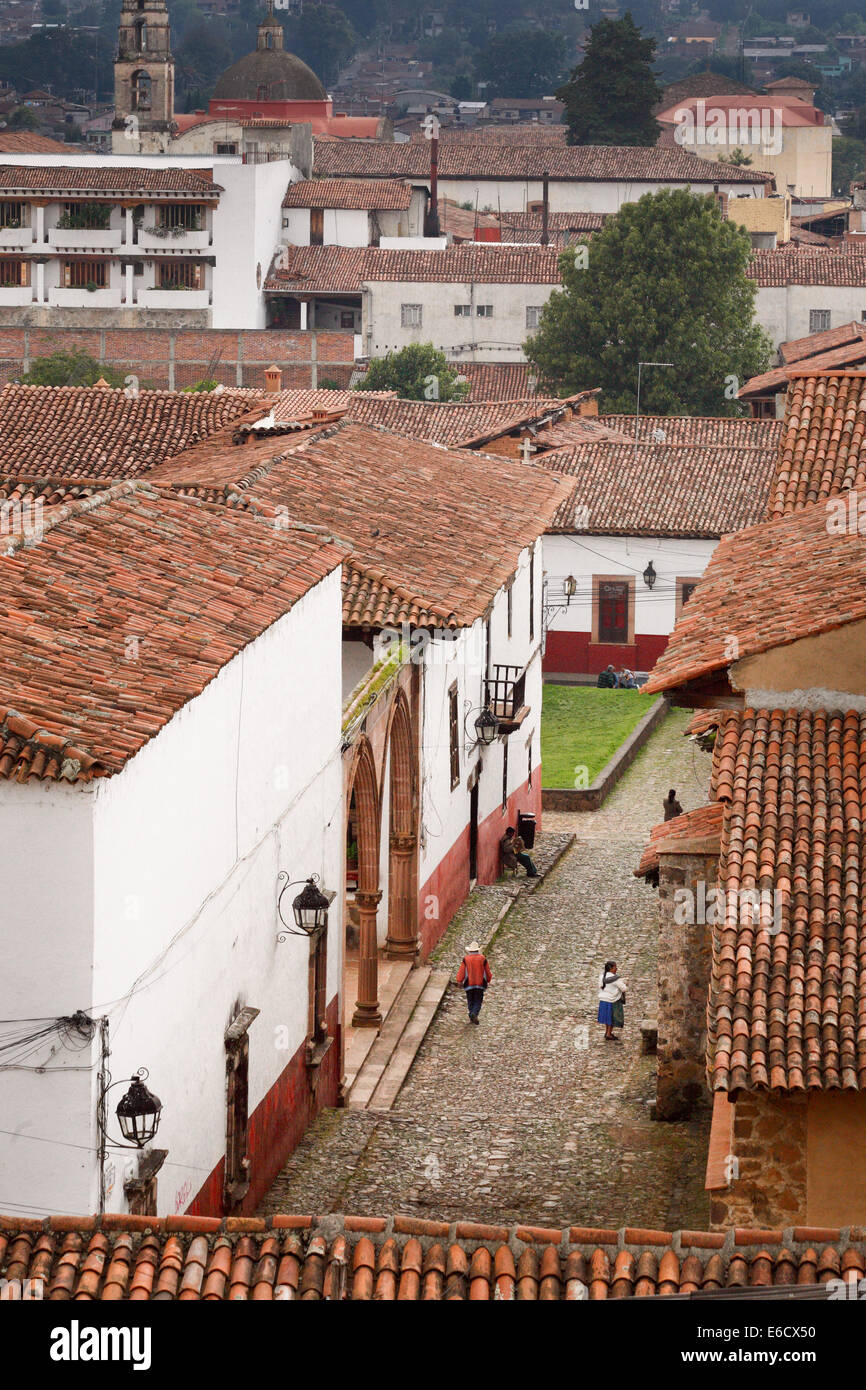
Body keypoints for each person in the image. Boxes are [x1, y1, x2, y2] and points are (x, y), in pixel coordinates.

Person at [456, 941, 492, 1024]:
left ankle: (471, 1013)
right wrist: (489, 979)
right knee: (478, 1000)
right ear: (478, 950)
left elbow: (462, 971)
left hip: (469, 984)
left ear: (469, 951)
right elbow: (487, 971)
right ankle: (474, 1013)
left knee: (470, 1000)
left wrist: (459, 980)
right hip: (480, 984)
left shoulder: (466, 959)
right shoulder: (482, 958)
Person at [598, 960, 626, 1041]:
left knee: (607, 1018)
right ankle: (609, 1034)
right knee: (611, 1018)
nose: (616, 969)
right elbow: (624, 988)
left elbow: (600, 985)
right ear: (611, 968)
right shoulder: (616, 979)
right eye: (615, 967)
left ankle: (607, 1032)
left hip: (603, 999)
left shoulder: (602, 976)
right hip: (612, 1000)